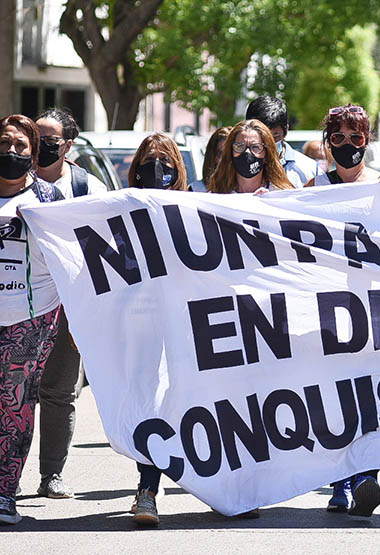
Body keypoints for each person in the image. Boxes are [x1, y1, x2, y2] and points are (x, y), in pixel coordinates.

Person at [306, 104, 380, 518]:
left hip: (374, 311)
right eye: (338, 138)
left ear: (368, 141)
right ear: (328, 143)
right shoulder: (314, 185)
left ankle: (367, 477)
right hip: (327, 309)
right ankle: (340, 484)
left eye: (355, 138)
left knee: (371, 398)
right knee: (336, 401)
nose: (347, 146)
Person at [33, 108, 108, 500]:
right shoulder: (13, 183)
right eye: (36, 138)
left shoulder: (87, 189)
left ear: (67, 145)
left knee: (59, 391)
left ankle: (52, 475)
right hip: (18, 305)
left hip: (67, 309)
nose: (39, 148)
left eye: (49, 141)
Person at [0, 114, 63, 524]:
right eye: (5, 143)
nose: (12, 151)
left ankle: (5, 491)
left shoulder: (50, 200)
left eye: (22, 146)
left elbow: (74, 260)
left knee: (15, 405)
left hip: (32, 317)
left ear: (34, 153)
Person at [125, 133, 188, 526]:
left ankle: (227, 485)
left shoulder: (196, 204)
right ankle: (147, 489)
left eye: (165, 159)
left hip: (189, 324)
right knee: (149, 403)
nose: (157, 167)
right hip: (144, 323)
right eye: (149, 159)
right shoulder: (122, 208)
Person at [245, 95, 319, 187]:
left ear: (286, 130)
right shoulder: (234, 168)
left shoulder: (311, 170)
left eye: (275, 137)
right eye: (261, 137)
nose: (268, 144)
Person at [208, 120, 292, 194]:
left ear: (267, 155)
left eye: (255, 147)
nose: (247, 152)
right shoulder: (217, 196)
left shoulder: (281, 195)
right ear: (230, 152)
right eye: (240, 146)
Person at [189, 126, 232, 192]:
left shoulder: (248, 191)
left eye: (230, 154)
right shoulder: (195, 190)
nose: (226, 159)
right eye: (221, 154)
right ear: (212, 157)